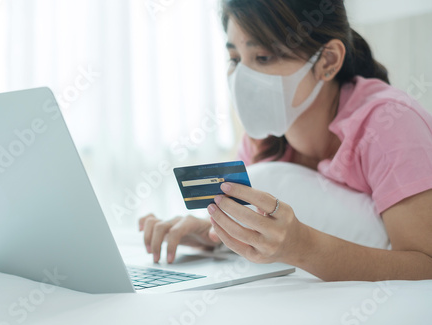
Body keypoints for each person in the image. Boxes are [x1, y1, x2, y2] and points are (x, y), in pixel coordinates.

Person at [139, 0, 432, 281]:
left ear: (327, 61)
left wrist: (304, 249)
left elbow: (425, 264)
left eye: (263, 57)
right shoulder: (263, 135)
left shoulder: (390, 123)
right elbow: (267, 231)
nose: (242, 77)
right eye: (235, 59)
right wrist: (211, 235)